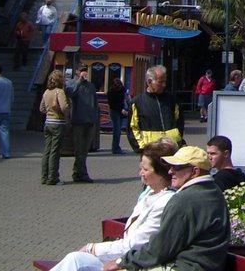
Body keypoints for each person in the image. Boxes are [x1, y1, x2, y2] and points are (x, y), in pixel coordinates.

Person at [52, 139, 178, 271]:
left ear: (161, 173)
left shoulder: (165, 202)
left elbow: (135, 244)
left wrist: (93, 248)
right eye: (141, 168)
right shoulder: (150, 193)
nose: (140, 173)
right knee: (76, 259)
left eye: (145, 169)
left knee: (76, 261)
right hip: (125, 258)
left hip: (136, 264)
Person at [101, 145, 230, 271]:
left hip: (184, 266)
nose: (170, 171)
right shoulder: (214, 192)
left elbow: (160, 249)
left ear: (195, 172)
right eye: (170, 166)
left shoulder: (184, 200)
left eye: (176, 167)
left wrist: (122, 261)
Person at [127, 65, 184, 152]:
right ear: (149, 82)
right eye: (160, 82)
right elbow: (133, 127)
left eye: (165, 81)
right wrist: (141, 147)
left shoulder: (172, 100)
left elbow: (179, 122)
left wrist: (178, 140)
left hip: (173, 147)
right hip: (151, 150)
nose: (164, 85)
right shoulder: (137, 102)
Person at [67, 64, 99, 183]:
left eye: (85, 70)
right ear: (76, 71)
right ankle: (82, 174)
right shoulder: (72, 83)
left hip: (89, 121)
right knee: (79, 150)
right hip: (78, 121)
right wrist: (79, 81)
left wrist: (95, 117)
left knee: (85, 150)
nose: (84, 72)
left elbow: (95, 103)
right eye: (81, 70)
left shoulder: (90, 86)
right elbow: (70, 94)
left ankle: (77, 173)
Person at [40, 68, 70, 185]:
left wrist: (49, 111)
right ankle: (53, 177)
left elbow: (41, 108)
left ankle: (44, 176)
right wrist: (66, 113)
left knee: (47, 150)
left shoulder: (46, 92)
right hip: (58, 123)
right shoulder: (59, 91)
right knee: (55, 151)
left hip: (48, 122)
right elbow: (64, 107)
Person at [107, 77, 128, 155]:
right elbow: (112, 104)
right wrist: (121, 109)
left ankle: (116, 147)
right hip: (114, 111)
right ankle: (115, 148)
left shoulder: (122, 89)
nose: (119, 87)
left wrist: (124, 108)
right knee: (117, 130)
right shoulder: (111, 92)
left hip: (121, 110)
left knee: (118, 130)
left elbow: (124, 99)